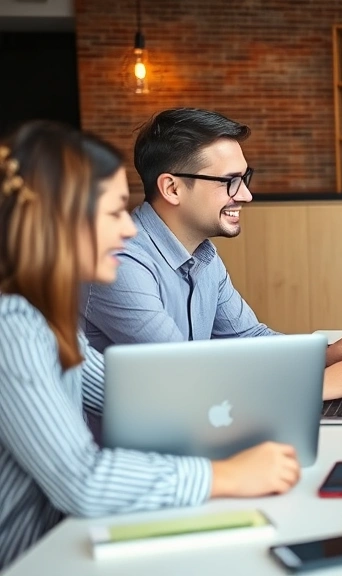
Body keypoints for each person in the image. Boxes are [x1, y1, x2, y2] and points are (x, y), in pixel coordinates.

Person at [0, 121, 300, 570]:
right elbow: (83, 481)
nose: (127, 229)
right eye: (113, 212)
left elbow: (138, 389)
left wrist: (281, 398)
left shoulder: (43, 318)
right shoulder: (13, 327)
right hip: (34, 557)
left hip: (63, 542)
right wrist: (229, 475)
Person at [79, 108, 342, 400]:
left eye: (245, 178)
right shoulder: (118, 262)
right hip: (142, 443)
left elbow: (248, 339)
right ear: (172, 188)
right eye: (229, 181)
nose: (245, 195)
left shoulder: (203, 254)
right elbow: (183, 374)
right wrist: (310, 388)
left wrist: (324, 356)